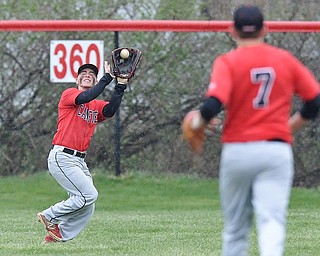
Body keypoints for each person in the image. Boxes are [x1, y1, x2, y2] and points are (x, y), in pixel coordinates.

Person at [189, 4, 320, 256]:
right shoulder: (284, 59)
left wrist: (198, 122)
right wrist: (290, 127)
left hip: (238, 151)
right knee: (271, 221)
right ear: (265, 29)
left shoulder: (228, 61)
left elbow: (212, 105)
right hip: (275, 150)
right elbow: (314, 101)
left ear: (232, 31)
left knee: (236, 227)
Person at [37, 61, 129, 243]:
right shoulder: (69, 95)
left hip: (78, 160)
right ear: (76, 79)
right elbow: (86, 96)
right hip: (62, 156)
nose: (87, 74)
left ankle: (57, 236)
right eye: (83, 72)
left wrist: (121, 85)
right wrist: (108, 77)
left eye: (92, 74)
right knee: (89, 195)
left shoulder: (95, 104)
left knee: (88, 204)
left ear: (95, 80)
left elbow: (110, 110)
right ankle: (50, 215)